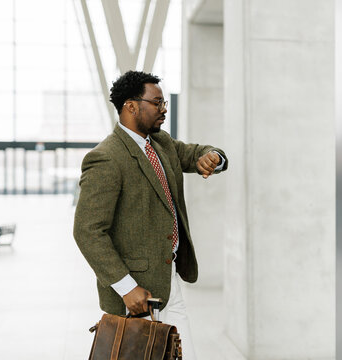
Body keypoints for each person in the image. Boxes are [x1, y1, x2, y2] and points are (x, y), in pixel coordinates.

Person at [73, 70, 228, 359]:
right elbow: (87, 231)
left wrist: (214, 157)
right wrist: (126, 287)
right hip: (135, 295)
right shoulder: (106, 157)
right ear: (131, 106)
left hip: (169, 283)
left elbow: (196, 153)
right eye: (157, 103)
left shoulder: (161, 143)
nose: (164, 109)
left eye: (164, 102)